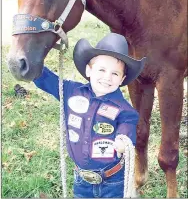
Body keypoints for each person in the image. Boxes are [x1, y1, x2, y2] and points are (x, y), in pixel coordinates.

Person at [33, 33, 146, 198]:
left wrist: (123, 140)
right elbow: (48, 81)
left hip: (112, 182)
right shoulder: (71, 92)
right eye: (102, 70)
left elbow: (127, 126)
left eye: (115, 74)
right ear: (89, 70)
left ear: (122, 79)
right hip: (82, 181)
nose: (107, 77)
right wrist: (33, 63)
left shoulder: (124, 110)